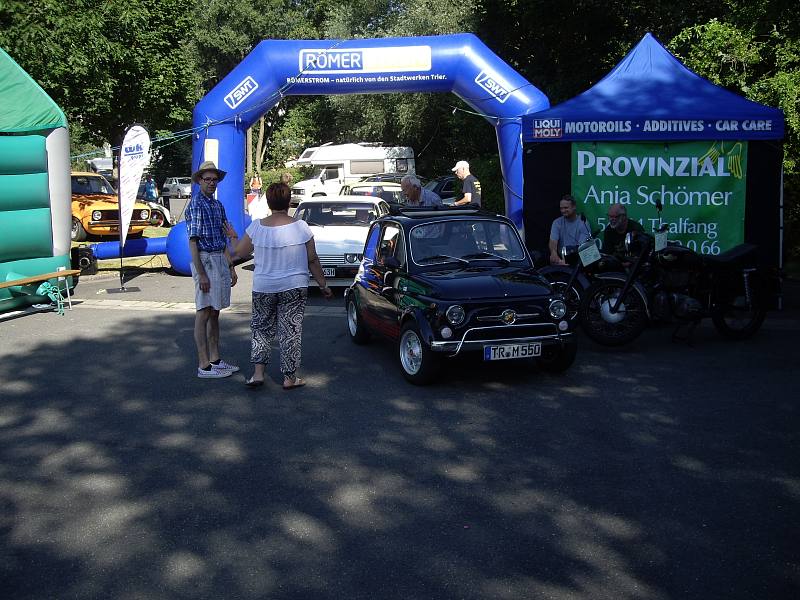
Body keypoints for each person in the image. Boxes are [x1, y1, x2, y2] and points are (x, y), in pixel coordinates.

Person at [231, 182, 334, 389]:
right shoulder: (301, 227)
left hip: (264, 286)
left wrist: (233, 236)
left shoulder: (257, 227)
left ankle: (258, 374)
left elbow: (240, 253)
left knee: (261, 329)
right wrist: (323, 285)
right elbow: (312, 259)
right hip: (294, 285)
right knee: (290, 331)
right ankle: (289, 378)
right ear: (289, 202)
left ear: (268, 203)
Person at [185, 160, 240, 379]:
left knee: (215, 311)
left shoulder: (218, 206)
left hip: (219, 259)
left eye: (214, 179)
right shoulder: (196, 204)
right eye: (207, 179)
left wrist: (231, 266)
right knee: (204, 311)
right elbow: (193, 242)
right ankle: (204, 365)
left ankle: (215, 359)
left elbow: (223, 239)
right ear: (199, 180)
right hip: (205, 259)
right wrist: (201, 274)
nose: (211, 183)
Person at [548, 194, 591, 265]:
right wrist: (553, 253)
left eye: (566, 208)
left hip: (578, 260)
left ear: (574, 207)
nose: (563, 210)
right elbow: (553, 241)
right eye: (561, 208)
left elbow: (581, 247)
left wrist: (567, 261)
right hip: (560, 260)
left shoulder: (583, 222)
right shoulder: (557, 222)